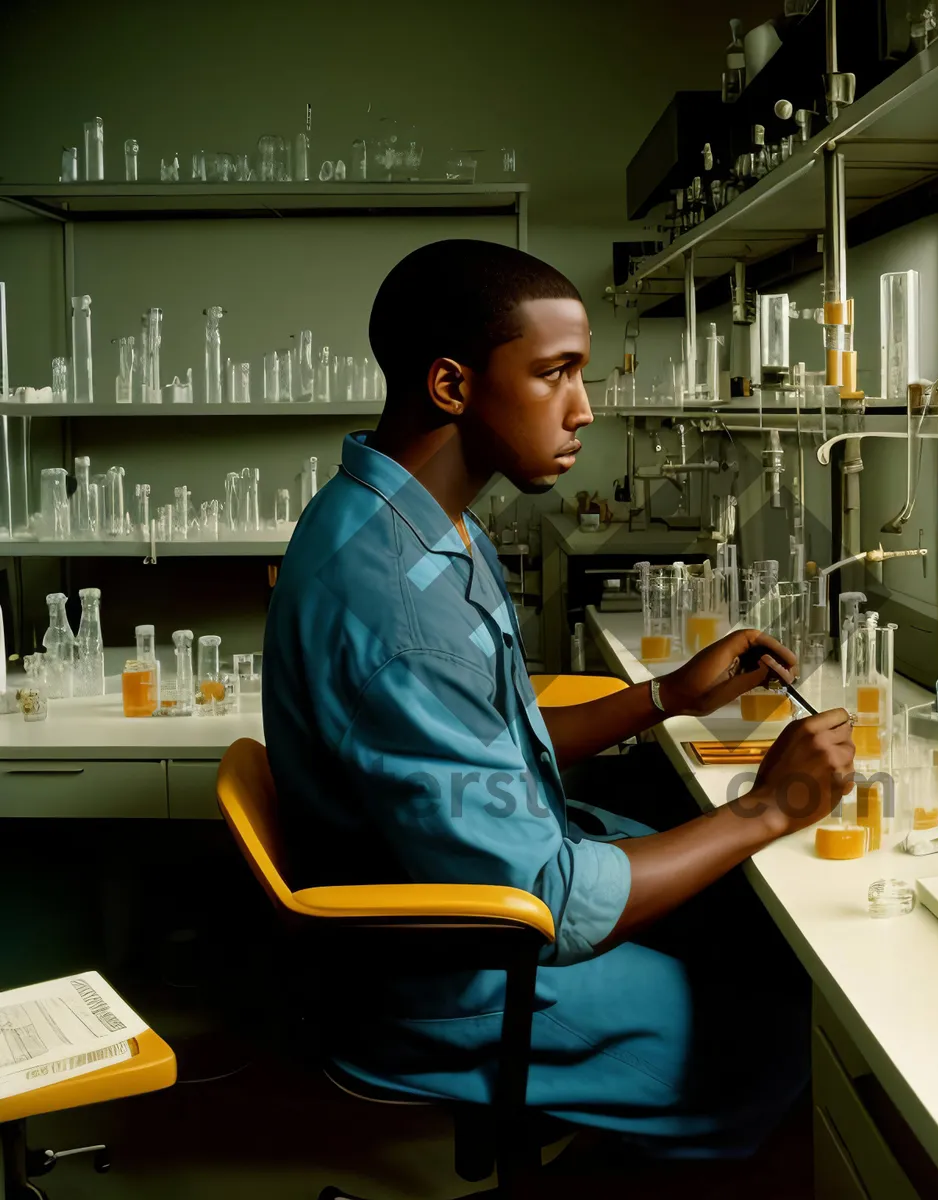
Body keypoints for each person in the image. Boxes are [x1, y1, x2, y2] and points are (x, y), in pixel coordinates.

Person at [262, 239, 855, 1164]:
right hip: (459, 980)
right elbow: (552, 897)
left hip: (479, 903)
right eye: (555, 374)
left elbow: (497, 737)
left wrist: (663, 696)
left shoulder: (419, 522)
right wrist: (770, 806)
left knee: (746, 928)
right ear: (454, 387)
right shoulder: (395, 598)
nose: (584, 410)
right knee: (797, 1047)